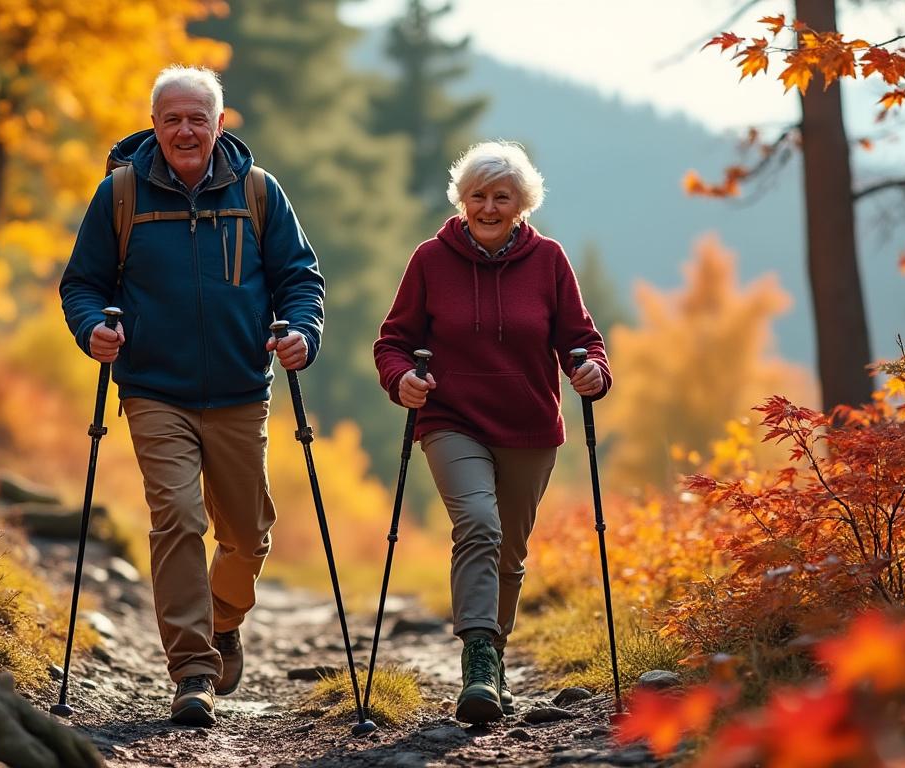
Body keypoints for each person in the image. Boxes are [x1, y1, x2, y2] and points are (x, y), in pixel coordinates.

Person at [60, 66, 324, 727]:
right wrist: (93, 327)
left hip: (240, 390)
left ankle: (222, 620)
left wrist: (301, 333)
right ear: (154, 123)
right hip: (155, 389)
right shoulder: (121, 196)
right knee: (177, 518)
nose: (185, 129)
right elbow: (82, 284)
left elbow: (301, 280)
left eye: (197, 118)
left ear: (219, 122)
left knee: (248, 537)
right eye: (172, 118)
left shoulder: (258, 193)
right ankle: (193, 672)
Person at [373, 141, 611, 725]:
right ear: (462, 200)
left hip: (529, 424)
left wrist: (591, 372)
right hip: (450, 418)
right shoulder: (431, 259)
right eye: (477, 195)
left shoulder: (549, 260)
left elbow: (583, 340)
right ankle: (478, 661)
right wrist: (401, 378)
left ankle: (496, 662)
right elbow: (393, 342)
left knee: (509, 550)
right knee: (478, 524)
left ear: (521, 203)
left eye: (501, 196)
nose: (487, 206)